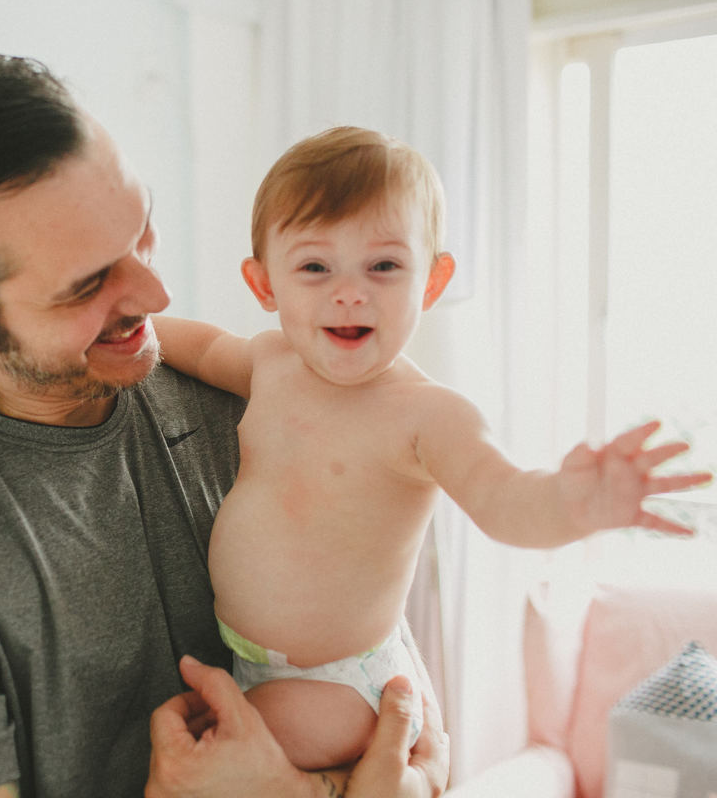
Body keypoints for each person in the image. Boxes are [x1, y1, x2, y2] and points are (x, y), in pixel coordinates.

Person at [0, 54, 449, 797]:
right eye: (88, 283)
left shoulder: (253, 401)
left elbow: (409, 726)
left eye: (142, 231)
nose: (156, 292)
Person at [154, 125, 714, 771]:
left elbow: (510, 502)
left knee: (211, 769)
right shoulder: (271, 362)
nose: (350, 290)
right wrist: (124, 323)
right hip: (251, 661)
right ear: (264, 284)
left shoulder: (427, 415)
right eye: (315, 266)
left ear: (432, 281)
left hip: (338, 683)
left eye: (384, 266)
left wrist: (574, 502)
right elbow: (196, 346)